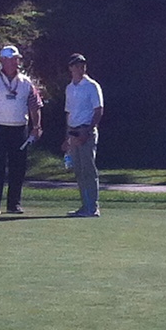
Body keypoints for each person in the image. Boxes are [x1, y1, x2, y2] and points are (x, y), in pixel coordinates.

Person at [0, 45, 44, 214]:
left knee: (18, 168)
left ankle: (14, 204)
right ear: (1, 61)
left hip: (19, 129)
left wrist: (36, 126)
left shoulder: (26, 82)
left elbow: (34, 105)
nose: (13, 63)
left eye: (15, 59)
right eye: (9, 59)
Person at [62, 53, 104, 218]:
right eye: (77, 65)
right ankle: (85, 205)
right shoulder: (69, 88)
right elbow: (69, 113)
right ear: (71, 68)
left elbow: (98, 110)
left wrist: (88, 130)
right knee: (79, 170)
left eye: (82, 65)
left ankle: (92, 207)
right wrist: (67, 137)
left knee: (88, 169)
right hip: (73, 132)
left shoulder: (92, 86)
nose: (81, 68)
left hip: (86, 130)